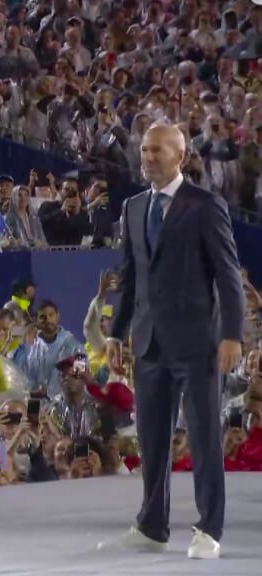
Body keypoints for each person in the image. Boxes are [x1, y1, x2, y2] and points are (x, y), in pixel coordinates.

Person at [98, 124, 245, 560]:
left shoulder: (205, 206)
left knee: (203, 438)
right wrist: (115, 333)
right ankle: (152, 525)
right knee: (152, 437)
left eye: (156, 150)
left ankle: (209, 530)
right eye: (143, 150)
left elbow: (227, 274)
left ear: (179, 155)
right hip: (148, 344)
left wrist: (232, 334)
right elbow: (129, 279)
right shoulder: (133, 207)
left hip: (198, 343)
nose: (146, 157)